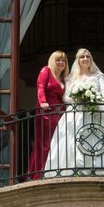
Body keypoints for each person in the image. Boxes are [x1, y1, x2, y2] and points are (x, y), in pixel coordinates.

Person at [44, 48, 104, 177]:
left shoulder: (98, 75)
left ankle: (102, 167)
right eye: (82, 57)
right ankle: (76, 168)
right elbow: (66, 98)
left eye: (87, 57)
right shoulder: (70, 77)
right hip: (77, 113)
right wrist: (80, 96)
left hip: (97, 110)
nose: (85, 59)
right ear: (78, 60)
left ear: (91, 59)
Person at [27, 50, 69, 180]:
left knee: (57, 143)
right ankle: (36, 174)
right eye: (58, 60)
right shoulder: (46, 71)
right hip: (46, 111)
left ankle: (51, 171)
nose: (61, 62)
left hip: (59, 113)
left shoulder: (63, 78)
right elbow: (40, 86)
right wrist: (43, 102)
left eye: (63, 60)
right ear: (52, 61)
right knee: (44, 144)